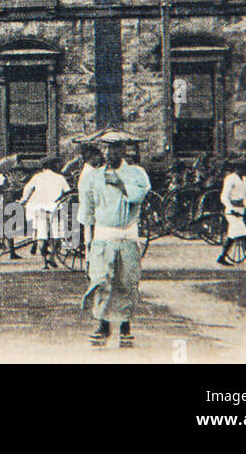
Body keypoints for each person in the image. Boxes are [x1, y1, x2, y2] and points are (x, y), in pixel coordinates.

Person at [78, 148, 150, 348]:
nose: (111, 153)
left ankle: (125, 326)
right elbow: (87, 212)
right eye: (107, 148)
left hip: (127, 233)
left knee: (127, 281)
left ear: (123, 150)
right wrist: (87, 245)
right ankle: (103, 324)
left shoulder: (136, 173)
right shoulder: (92, 177)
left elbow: (139, 196)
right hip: (103, 235)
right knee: (102, 280)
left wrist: (121, 184)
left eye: (117, 147)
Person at [20, 158, 70, 268]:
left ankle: (44, 262)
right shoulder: (60, 178)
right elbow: (68, 193)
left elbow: (27, 189)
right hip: (55, 208)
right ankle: (52, 256)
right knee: (57, 235)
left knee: (41, 236)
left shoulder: (37, 177)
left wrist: (23, 200)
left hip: (38, 208)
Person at [217, 158, 246, 268]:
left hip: (240, 210)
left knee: (232, 236)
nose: (244, 170)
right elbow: (224, 196)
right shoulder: (230, 179)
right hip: (232, 211)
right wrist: (230, 208)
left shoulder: (244, 179)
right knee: (245, 234)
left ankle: (222, 257)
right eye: (242, 168)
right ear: (236, 168)